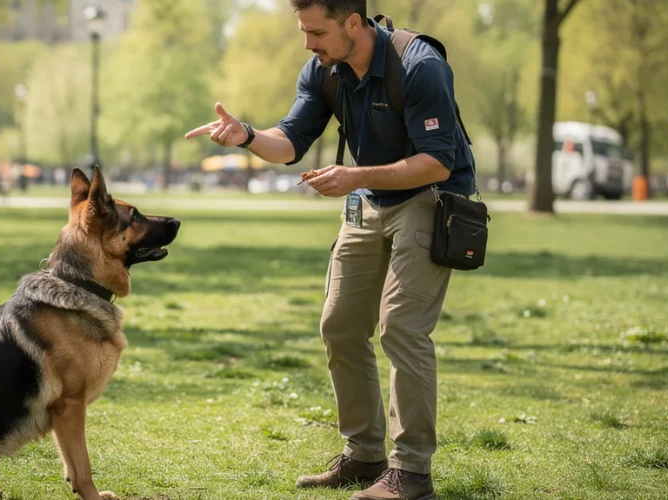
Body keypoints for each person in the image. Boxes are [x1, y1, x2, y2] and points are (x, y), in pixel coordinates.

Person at [185, 1, 476, 499]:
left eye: (316, 31)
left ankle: (411, 475)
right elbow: (290, 141)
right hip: (369, 199)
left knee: (402, 327)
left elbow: (437, 163)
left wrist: (353, 177)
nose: (307, 43)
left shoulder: (419, 65)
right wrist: (247, 136)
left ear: (353, 24)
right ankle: (365, 457)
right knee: (340, 324)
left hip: (428, 197)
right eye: (304, 31)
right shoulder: (325, 70)